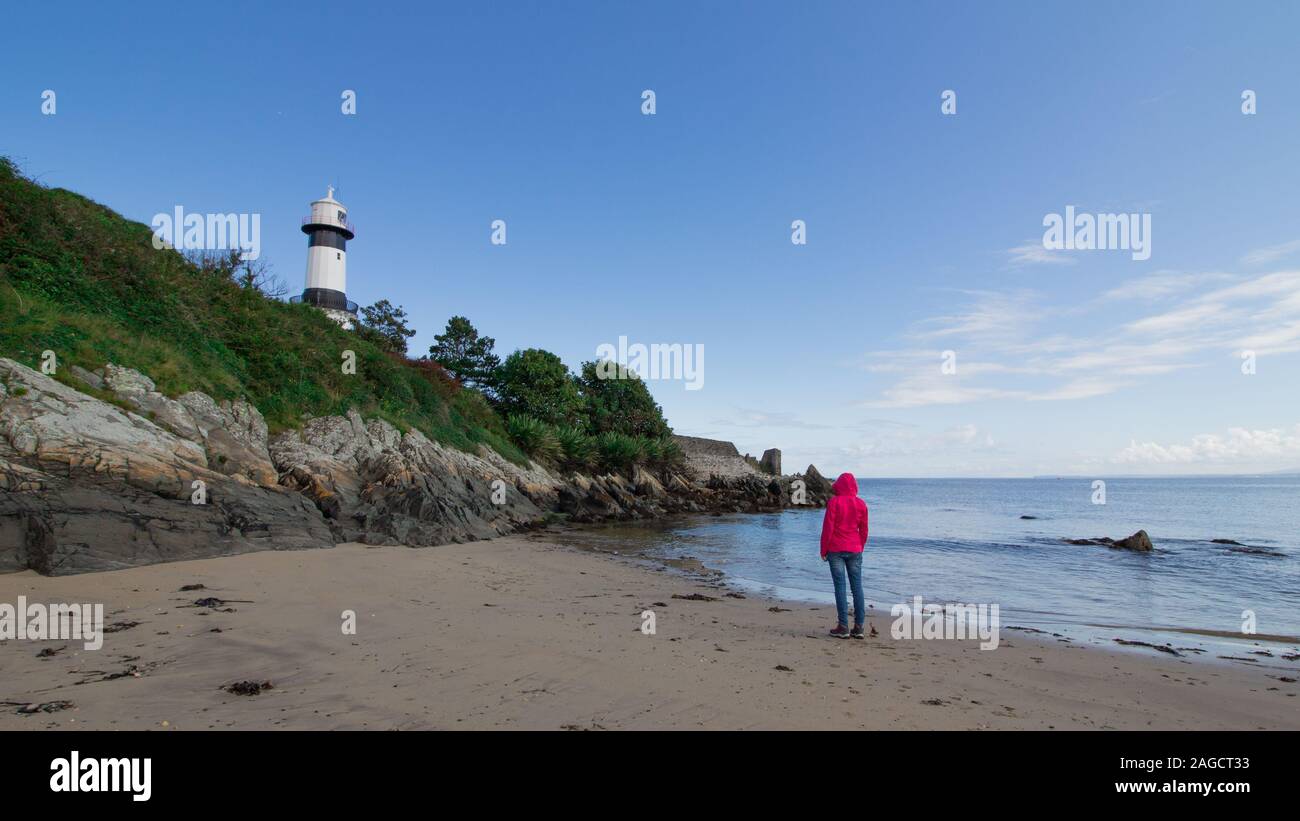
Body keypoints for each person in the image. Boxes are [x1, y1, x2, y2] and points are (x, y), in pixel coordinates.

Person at [819, 472, 869, 639]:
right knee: (857, 588)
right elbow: (864, 530)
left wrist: (823, 550)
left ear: (839, 486)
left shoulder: (834, 502)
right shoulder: (861, 504)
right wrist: (860, 546)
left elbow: (828, 528)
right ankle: (860, 627)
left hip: (836, 550)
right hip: (855, 549)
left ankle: (843, 627)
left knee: (840, 587)